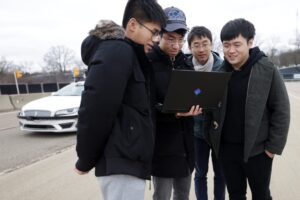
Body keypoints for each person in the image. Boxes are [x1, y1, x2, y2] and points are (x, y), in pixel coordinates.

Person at [74, 0, 166, 200]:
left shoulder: (130, 54)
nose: (157, 39)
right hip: (122, 162)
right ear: (133, 25)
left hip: (128, 161)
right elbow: (96, 109)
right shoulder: (118, 51)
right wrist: (85, 158)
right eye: (154, 31)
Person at [207, 18, 290, 200]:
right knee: (235, 195)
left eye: (237, 44)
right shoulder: (220, 73)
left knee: (261, 195)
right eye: (226, 45)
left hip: (258, 151)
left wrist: (271, 148)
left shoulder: (267, 70)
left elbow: (281, 110)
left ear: (250, 42)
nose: (231, 50)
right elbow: (210, 109)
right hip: (227, 151)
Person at [147, 6, 201, 200]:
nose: (176, 45)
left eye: (180, 40)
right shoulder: (148, 63)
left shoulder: (185, 62)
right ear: (158, 35)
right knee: (162, 196)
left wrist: (199, 98)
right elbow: (145, 104)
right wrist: (174, 113)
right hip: (162, 146)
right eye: (170, 38)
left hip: (186, 144)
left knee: (183, 195)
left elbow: (195, 90)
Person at [187, 26, 226, 200]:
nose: (201, 49)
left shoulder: (223, 67)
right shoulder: (184, 67)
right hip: (196, 132)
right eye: (196, 45)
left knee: (221, 174)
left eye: (205, 44)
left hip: (219, 132)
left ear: (211, 44)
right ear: (190, 47)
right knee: (200, 174)